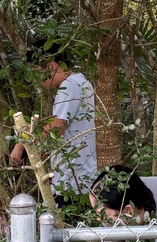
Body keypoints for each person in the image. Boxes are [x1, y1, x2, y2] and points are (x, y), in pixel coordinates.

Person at [10, 39, 97, 212]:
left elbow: (57, 126)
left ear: (51, 67)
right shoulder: (81, 82)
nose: (37, 81)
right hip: (81, 177)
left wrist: (20, 146)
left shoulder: (69, 86)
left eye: (37, 73)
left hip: (71, 183)